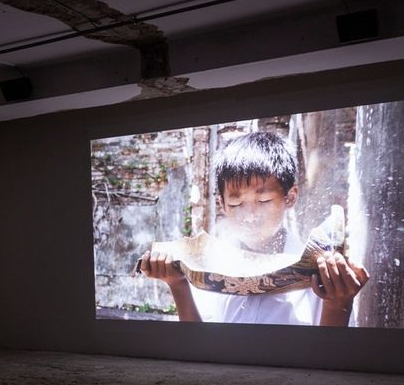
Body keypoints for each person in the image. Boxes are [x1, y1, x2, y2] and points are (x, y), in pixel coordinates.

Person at [138, 130, 368, 326]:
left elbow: (329, 355)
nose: (249, 216)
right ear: (222, 205)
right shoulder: (211, 268)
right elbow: (200, 346)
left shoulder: (319, 272)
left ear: (290, 197)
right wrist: (178, 285)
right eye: (236, 204)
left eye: (264, 200)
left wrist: (338, 304)